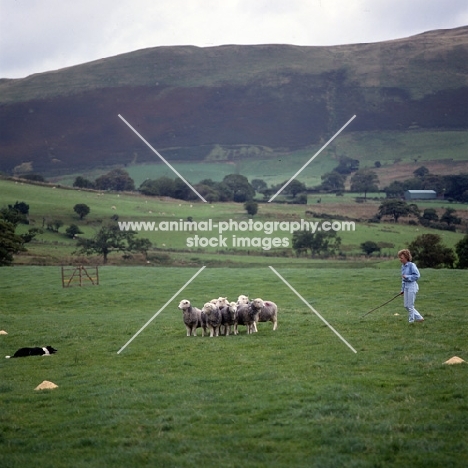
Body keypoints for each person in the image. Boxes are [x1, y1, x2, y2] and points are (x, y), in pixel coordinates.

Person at [398, 249, 424, 323]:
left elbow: (417, 276)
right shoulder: (403, 266)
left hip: (412, 286)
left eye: (401, 258)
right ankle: (419, 317)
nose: (400, 259)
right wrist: (402, 290)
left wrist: (407, 277)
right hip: (406, 286)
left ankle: (411, 321)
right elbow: (403, 279)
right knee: (406, 305)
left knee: (410, 306)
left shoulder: (412, 265)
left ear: (406, 257)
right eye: (399, 257)